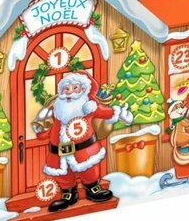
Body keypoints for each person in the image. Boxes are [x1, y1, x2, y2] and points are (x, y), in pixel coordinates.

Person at [35, 71, 133, 212]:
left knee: (89, 170)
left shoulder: (88, 106)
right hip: (59, 153)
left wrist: (120, 113)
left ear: (83, 89)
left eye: (75, 88)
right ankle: (68, 195)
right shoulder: (57, 109)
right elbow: (49, 129)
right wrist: (41, 131)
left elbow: (107, 112)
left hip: (84, 150)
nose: (70, 92)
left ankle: (93, 189)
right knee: (63, 174)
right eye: (66, 88)